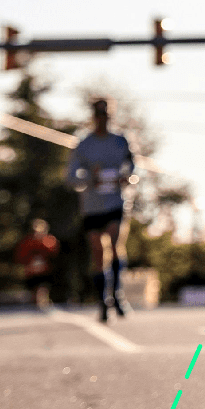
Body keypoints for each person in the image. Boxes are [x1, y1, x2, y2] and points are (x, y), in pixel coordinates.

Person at [65, 99, 134, 321]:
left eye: (106, 115)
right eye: (98, 115)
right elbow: (71, 177)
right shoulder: (84, 145)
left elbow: (131, 166)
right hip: (92, 206)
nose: (102, 119)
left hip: (114, 202)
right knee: (97, 252)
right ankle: (103, 300)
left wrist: (126, 177)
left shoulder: (120, 142)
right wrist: (88, 178)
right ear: (93, 117)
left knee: (114, 244)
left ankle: (117, 294)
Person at [15, 218, 60, 310]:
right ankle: (36, 306)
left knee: (43, 289)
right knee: (34, 291)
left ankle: (43, 304)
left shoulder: (49, 241)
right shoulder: (27, 242)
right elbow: (21, 257)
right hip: (31, 272)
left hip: (45, 272)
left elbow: (54, 254)